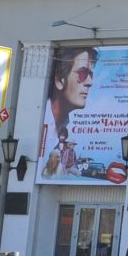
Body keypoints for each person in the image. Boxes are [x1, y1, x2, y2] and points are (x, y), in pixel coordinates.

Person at [40, 47, 96, 179]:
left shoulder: (64, 126)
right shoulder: (39, 122)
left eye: (91, 75)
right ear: (59, 80)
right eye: (82, 74)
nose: (90, 82)